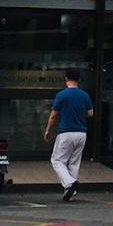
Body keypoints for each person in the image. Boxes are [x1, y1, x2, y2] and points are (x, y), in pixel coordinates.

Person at [44, 69, 93, 201]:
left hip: (65, 132)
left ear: (66, 78)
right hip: (81, 133)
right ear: (79, 79)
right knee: (74, 163)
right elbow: (90, 114)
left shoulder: (61, 95)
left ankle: (69, 183)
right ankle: (70, 192)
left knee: (57, 160)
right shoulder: (85, 95)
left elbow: (54, 115)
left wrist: (48, 130)